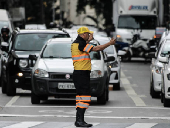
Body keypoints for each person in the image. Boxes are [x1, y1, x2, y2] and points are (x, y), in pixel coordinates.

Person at [71, 26, 116, 127]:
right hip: (81, 74)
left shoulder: (77, 43)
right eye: (88, 34)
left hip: (80, 73)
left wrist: (89, 40)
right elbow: (96, 48)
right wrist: (109, 43)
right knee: (85, 97)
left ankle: (79, 120)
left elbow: (83, 49)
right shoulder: (80, 43)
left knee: (80, 98)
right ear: (83, 34)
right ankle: (79, 120)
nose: (89, 35)